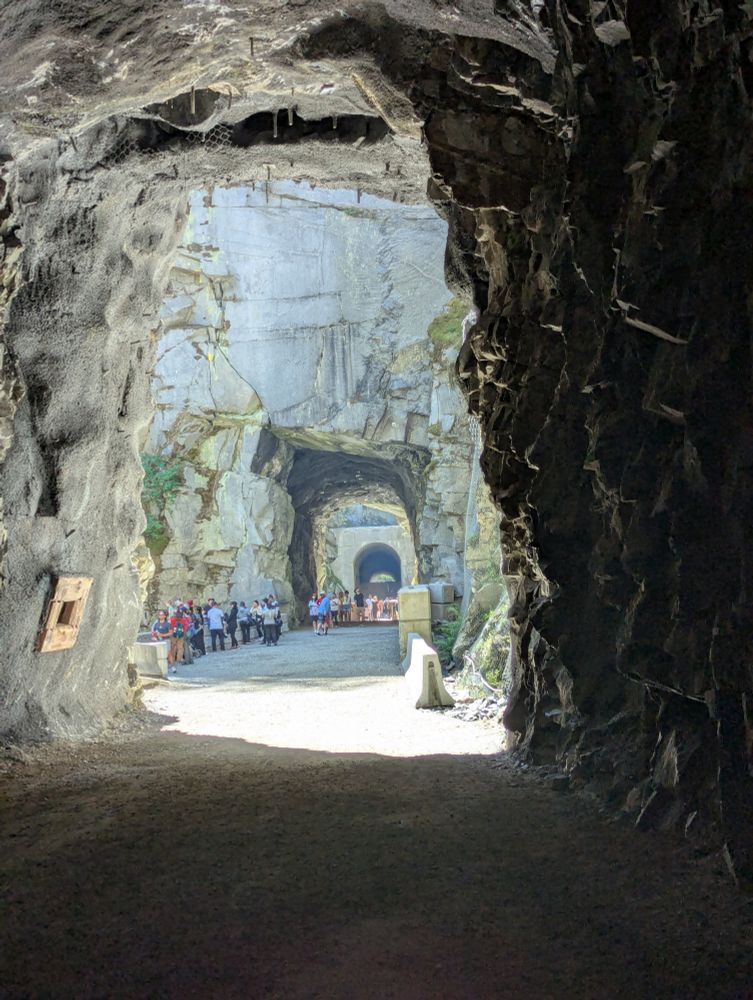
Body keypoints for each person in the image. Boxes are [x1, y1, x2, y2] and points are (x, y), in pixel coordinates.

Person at [168, 606, 190, 672]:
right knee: (180, 648)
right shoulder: (183, 619)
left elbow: (169, 627)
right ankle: (178, 659)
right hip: (181, 635)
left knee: (173, 647)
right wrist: (184, 633)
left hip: (173, 636)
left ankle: (173, 660)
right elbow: (186, 627)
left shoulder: (172, 619)